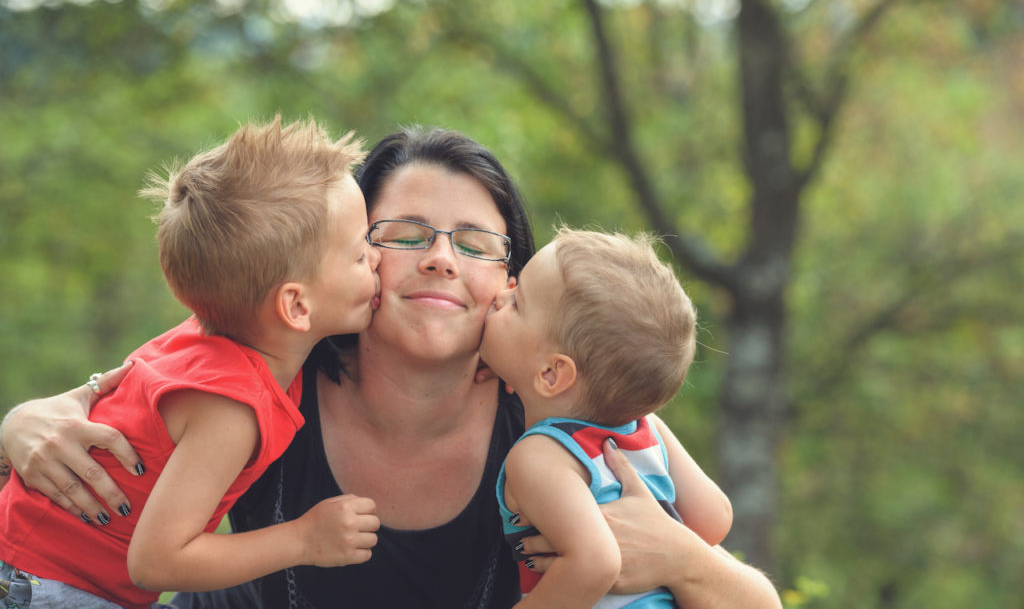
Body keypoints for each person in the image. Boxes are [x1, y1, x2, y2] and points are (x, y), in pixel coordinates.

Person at [0, 127, 783, 609]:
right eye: (404, 232)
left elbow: (755, 598)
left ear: (512, 285)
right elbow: (119, 393)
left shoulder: (557, 404)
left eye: (476, 243)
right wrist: (19, 423)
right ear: (335, 266)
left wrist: (679, 556)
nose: (442, 259)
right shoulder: (272, 358)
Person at [0, 117, 382, 609]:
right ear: (296, 307)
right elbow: (156, 562)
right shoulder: (231, 406)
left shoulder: (212, 332)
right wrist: (304, 540)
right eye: (359, 254)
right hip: (51, 587)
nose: (376, 259)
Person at [480, 227, 730, 608]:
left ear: (551, 375)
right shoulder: (649, 431)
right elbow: (714, 519)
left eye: (517, 304)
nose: (500, 295)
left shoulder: (538, 457)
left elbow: (596, 563)